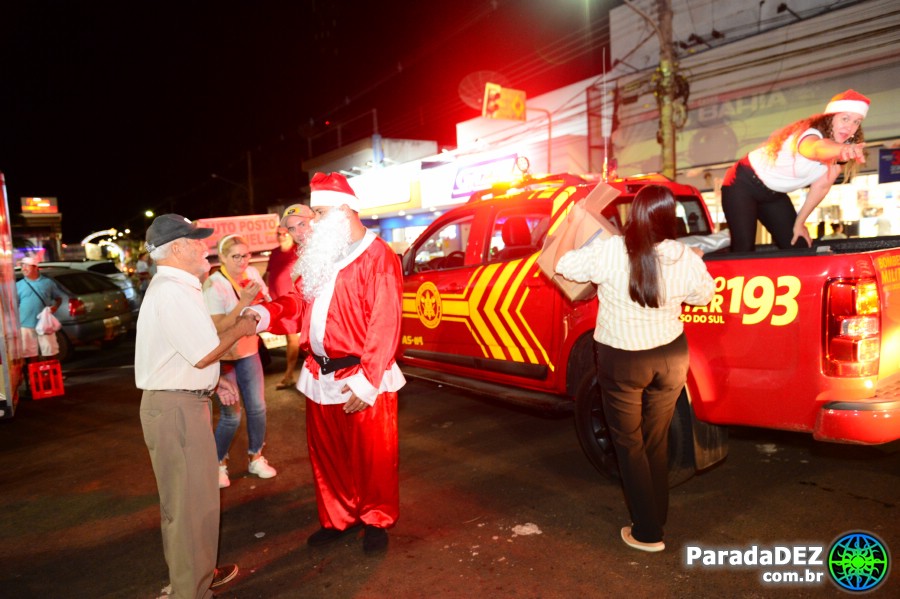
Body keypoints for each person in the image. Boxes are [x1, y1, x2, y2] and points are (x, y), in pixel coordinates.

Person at [247, 172, 405, 554]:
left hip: (362, 376)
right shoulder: (323, 254)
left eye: (319, 211)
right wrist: (264, 314)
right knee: (329, 456)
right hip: (319, 374)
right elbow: (299, 304)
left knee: (372, 457)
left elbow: (386, 323)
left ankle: (375, 519)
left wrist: (367, 381)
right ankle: (339, 518)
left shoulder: (377, 255)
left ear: (344, 210)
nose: (314, 220)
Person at [553, 185, 715, 552]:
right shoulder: (683, 255)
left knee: (630, 444)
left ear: (635, 215)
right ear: (669, 216)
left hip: (623, 359)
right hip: (670, 357)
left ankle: (647, 532)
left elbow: (564, 266)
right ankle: (656, 514)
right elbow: (703, 295)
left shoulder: (610, 250)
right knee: (656, 440)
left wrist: (575, 228)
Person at [135, 214, 259, 598]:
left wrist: (213, 380)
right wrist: (244, 325)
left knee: (190, 503)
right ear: (177, 249)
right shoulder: (172, 290)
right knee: (189, 508)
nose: (204, 246)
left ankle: (195, 575)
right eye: (196, 241)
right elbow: (204, 353)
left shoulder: (177, 287)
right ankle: (192, 589)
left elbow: (190, 348)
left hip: (180, 404)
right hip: (176, 410)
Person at [721, 89, 870, 252]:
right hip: (743, 182)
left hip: (773, 194)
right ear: (830, 118)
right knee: (743, 249)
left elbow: (821, 187)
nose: (850, 127)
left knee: (798, 245)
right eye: (845, 118)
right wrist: (841, 149)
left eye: (857, 121)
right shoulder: (810, 135)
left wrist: (800, 222)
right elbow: (817, 148)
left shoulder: (839, 156)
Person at [203, 234, 277, 488]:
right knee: (231, 415)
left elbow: (267, 304)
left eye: (246, 255)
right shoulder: (214, 284)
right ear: (222, 257)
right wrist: (244, 302)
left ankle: (255, 456)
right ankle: (217, 463)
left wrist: (261, 304)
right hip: (225, 358)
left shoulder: (253, 274)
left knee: (258, 408)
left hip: (250, 351)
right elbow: (218, 326)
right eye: (236, 256)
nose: (243, 261)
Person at [262, 205, 314, 390]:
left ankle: (290, 374)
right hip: (278, 302)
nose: (283, 235)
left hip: (294, 303)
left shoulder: (299, 250)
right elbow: (268, 274)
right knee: (289, 338)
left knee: (293, 338)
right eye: (282, 232)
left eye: (286, 232)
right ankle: (301, 369)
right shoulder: (275, 252)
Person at [16, 254, 64, 396]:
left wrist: (55, 307)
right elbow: (15, 303)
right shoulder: (18, 285)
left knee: (51, 351)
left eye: (26, 266)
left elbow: (58, 298)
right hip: (26, 324)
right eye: (22, 266)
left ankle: (54, 378)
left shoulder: (47, 283)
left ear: (36, 267)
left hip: (45, 325)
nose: (23, 268)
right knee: (30, 354)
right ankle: (34, 381)